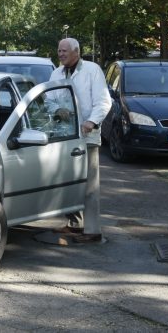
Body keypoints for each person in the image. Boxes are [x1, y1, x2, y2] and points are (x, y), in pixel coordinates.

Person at [50, 38, 111, 243]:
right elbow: (49, 100)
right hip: (65, 136)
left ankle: (93, 230)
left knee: (89, 185)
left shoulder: (92, 70)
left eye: (64, 50)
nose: (61, 54)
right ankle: (75, 224)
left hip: (87, 135)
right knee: (69, 182)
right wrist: (57, 111)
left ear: (76, 51)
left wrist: (91, 122)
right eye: (59, 50)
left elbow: (103, 102)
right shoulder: (57, 73)